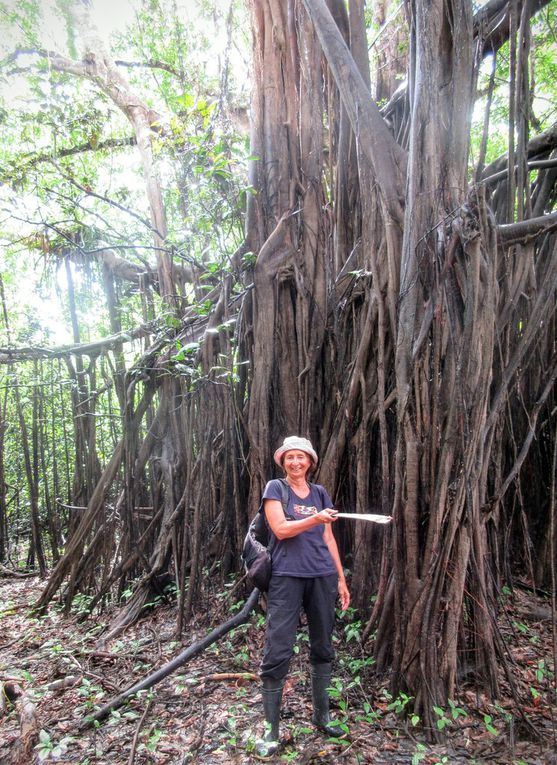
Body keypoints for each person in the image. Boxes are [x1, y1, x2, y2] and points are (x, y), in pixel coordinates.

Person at [254, 436, 350, 759]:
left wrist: (340, 578)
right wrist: (314, 517)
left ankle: (322, 716)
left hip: (321, 576)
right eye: (290, 457)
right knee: (278, 648)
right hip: (286, 578)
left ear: (310, 461)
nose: (296, 462)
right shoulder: (275, 490)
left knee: (323, 646)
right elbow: (280, 529)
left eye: (301, 457)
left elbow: (328, 537)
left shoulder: (320, 493)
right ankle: (271, 730)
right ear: (283, 461)